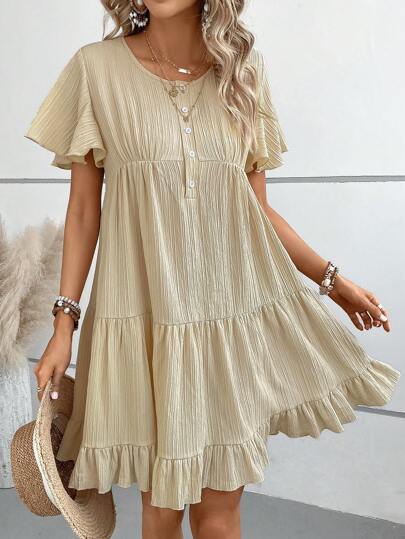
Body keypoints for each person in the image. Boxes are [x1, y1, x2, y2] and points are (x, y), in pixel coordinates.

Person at [25, 1, 400, 538]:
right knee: (160, 514)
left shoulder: (242, 73)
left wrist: (333, 282)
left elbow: (257, 212)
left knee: (220, 516)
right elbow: (84, 211)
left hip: (228, 321)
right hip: (148, 321)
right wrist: (64, 325)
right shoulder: (95, 69)